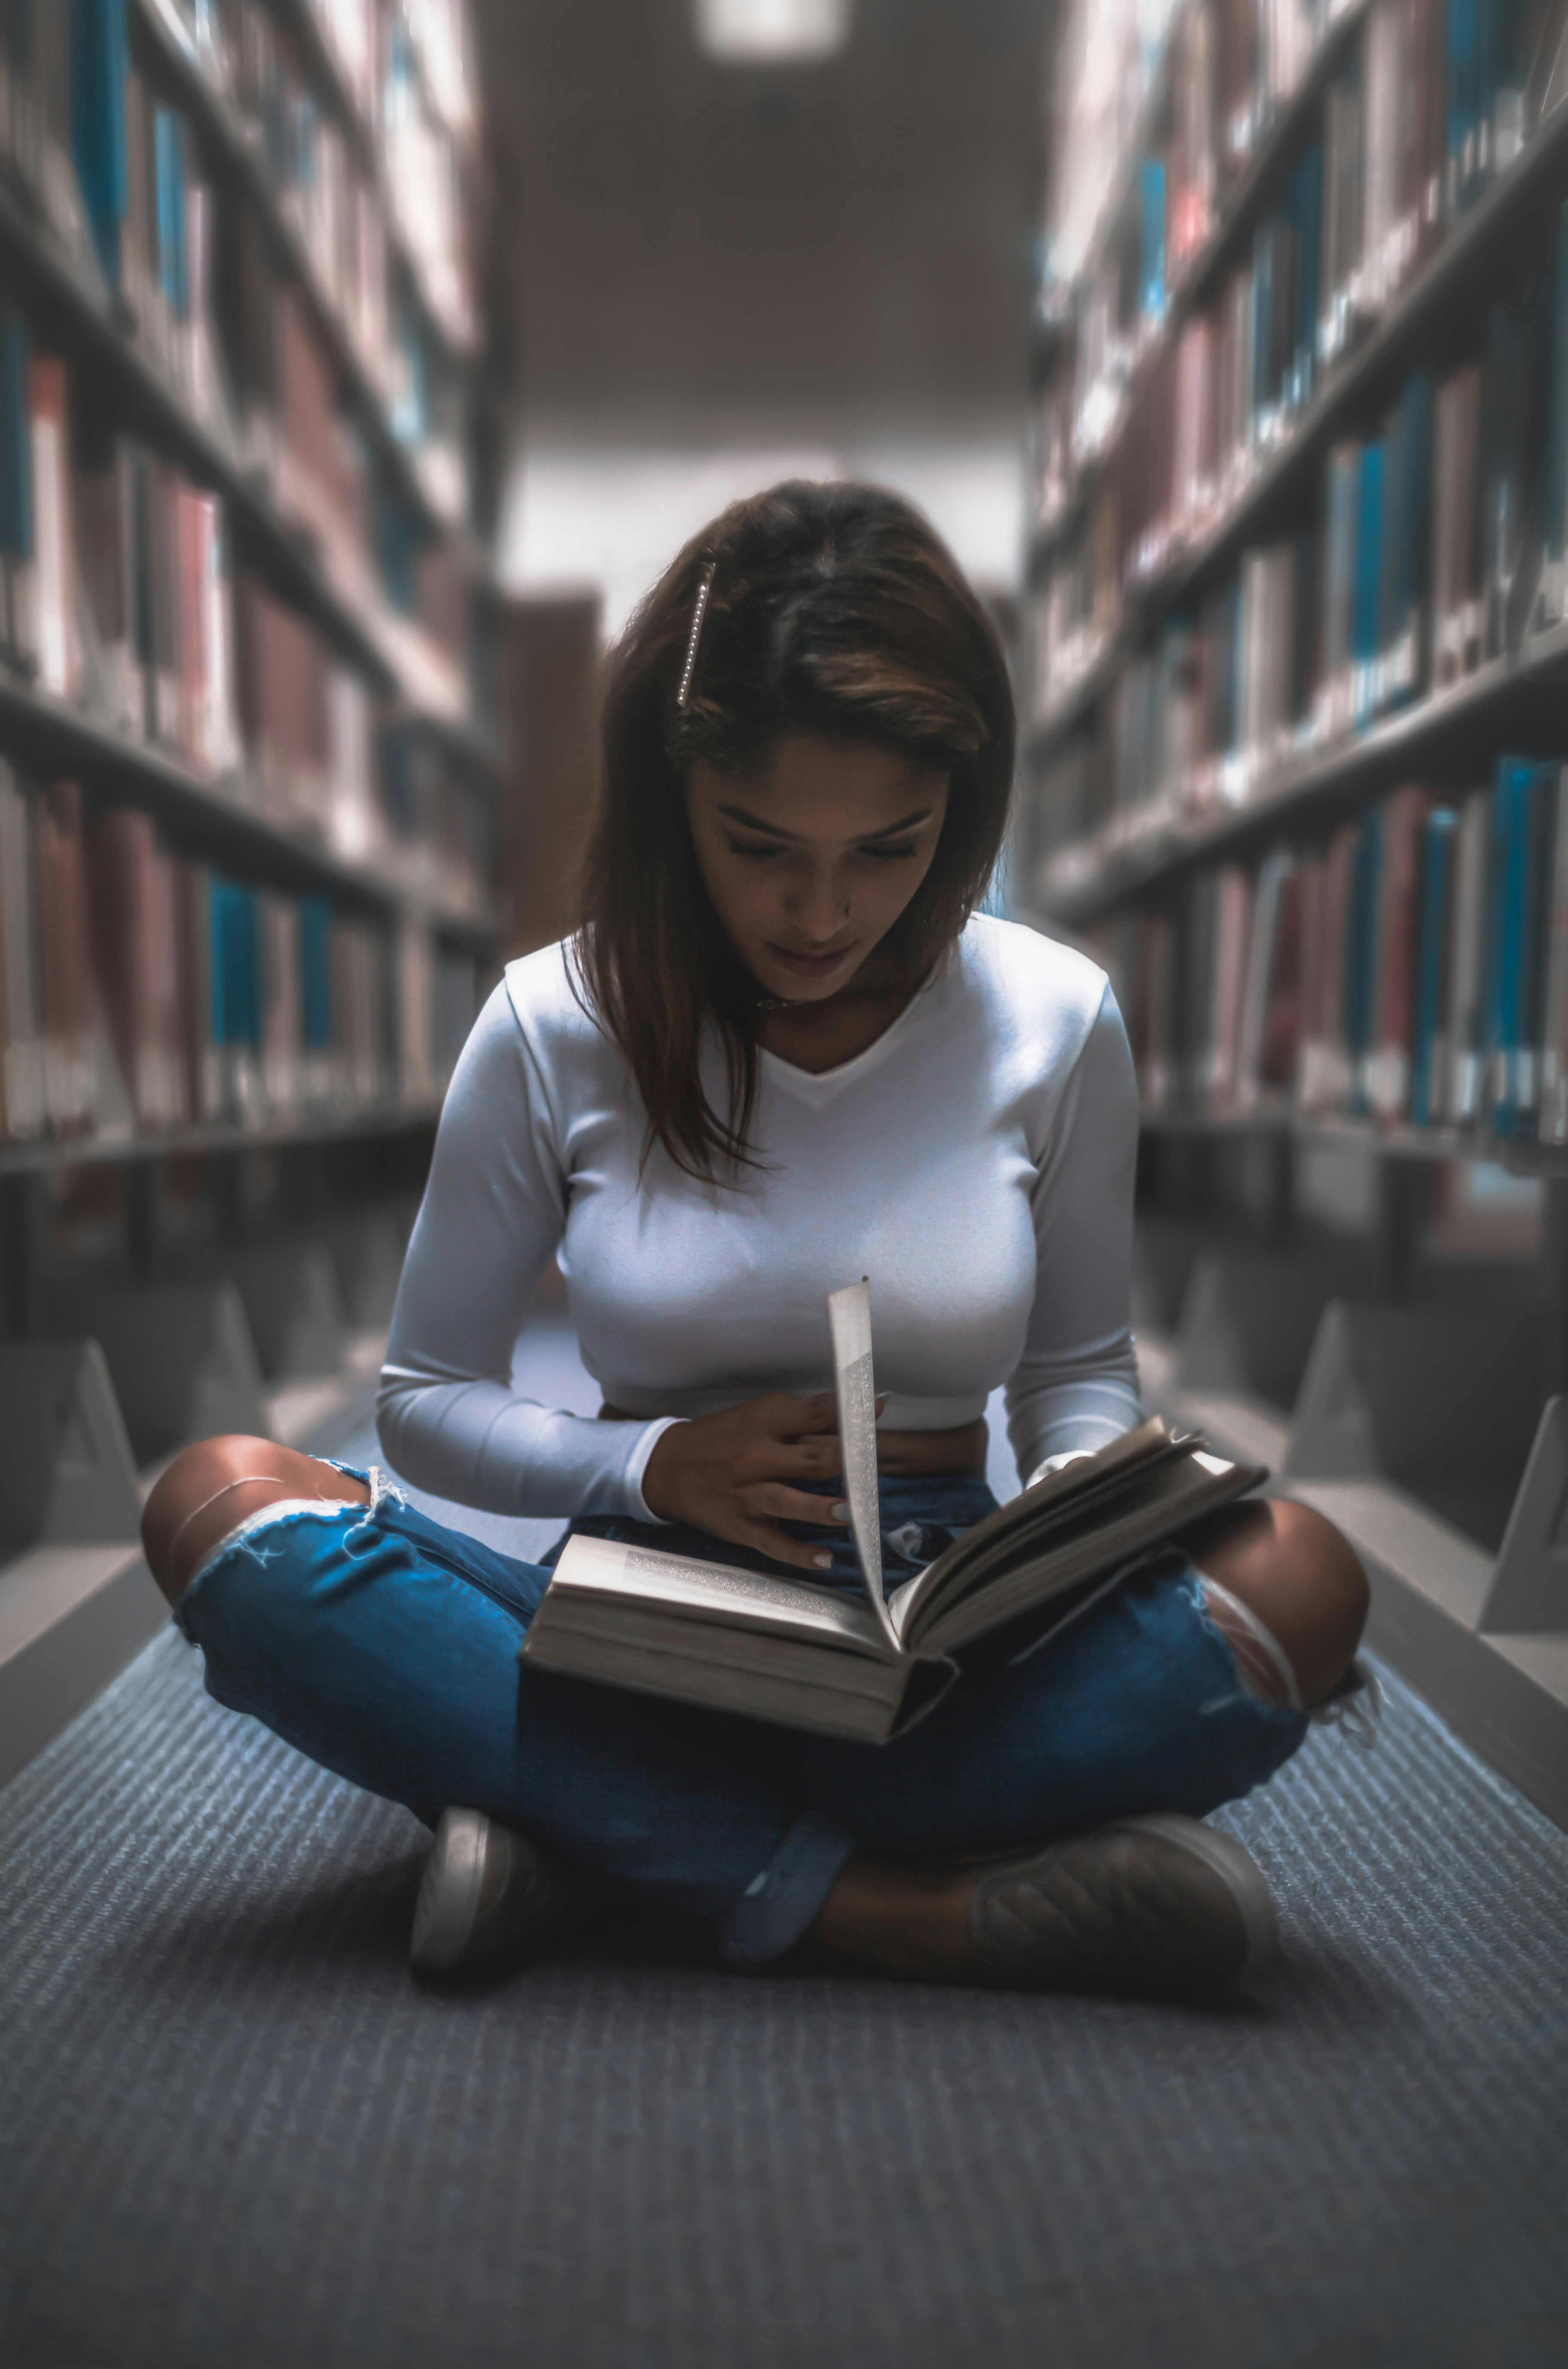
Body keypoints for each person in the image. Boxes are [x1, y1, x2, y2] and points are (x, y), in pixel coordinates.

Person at [143, 482, 1369, 1997]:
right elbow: (422, 1401)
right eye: (760, 843)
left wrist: (1070, 1507)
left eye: (889, 847)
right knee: (221, 1502)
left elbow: (1075, 1368)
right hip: (639, 1631)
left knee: (1303, 1574)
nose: (820, 909)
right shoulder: (551, 1019)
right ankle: (890, 1906)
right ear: (676, 802)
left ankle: (591, 1840)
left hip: (937, 1647)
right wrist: (651, 1466)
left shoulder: (1054, 1020)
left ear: (958, 814)